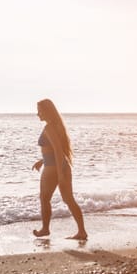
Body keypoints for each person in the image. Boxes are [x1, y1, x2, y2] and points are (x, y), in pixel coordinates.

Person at [31, 99, 87, 240]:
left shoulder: (49, 127)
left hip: (53, 169)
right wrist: (42, 160)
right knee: (68, 199)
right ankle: (81, 231)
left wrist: (60, 173)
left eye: (40, 110)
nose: (37, 114)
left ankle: (45, 229)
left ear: (47, 111)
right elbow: (56, 150)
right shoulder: (57, 126)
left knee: (44, 198)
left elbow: (57, 150)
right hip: (59, 166)